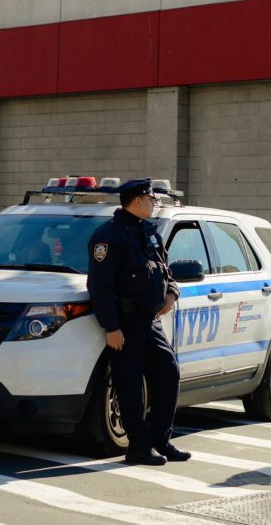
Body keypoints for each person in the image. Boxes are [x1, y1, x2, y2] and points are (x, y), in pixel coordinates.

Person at [86, 178, 187, 466]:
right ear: (139, 200)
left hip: (150, 320)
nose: (154, 204)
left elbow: (165, 269)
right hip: (125, 323)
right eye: (152, 199)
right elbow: (100, 286)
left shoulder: (148, 232)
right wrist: (111, 326)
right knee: (129, 385)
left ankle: (161, 440)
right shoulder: (109, 236)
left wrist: (171, 292)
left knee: (168, 373)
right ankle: (139, 448)